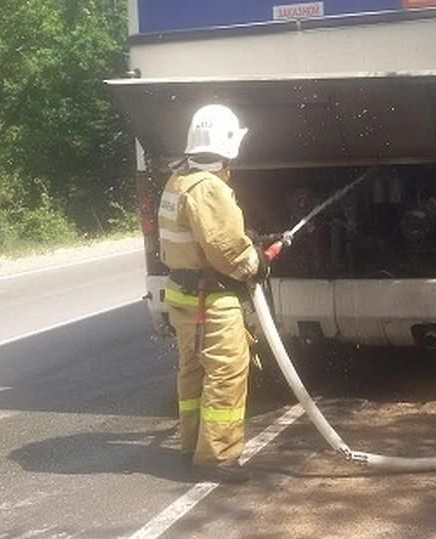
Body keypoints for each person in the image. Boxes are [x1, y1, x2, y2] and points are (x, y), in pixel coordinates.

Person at [158, 104, 270, 483]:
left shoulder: (178, 180)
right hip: (212, 298)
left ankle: (191, 447)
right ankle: (217, 458)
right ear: (227, 143)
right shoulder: (209, 189)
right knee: (226, 374)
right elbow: (227, 252)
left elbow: (199, 238)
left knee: (192, 372)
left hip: (183, 294)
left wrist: (245, 243)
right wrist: (255, 262)